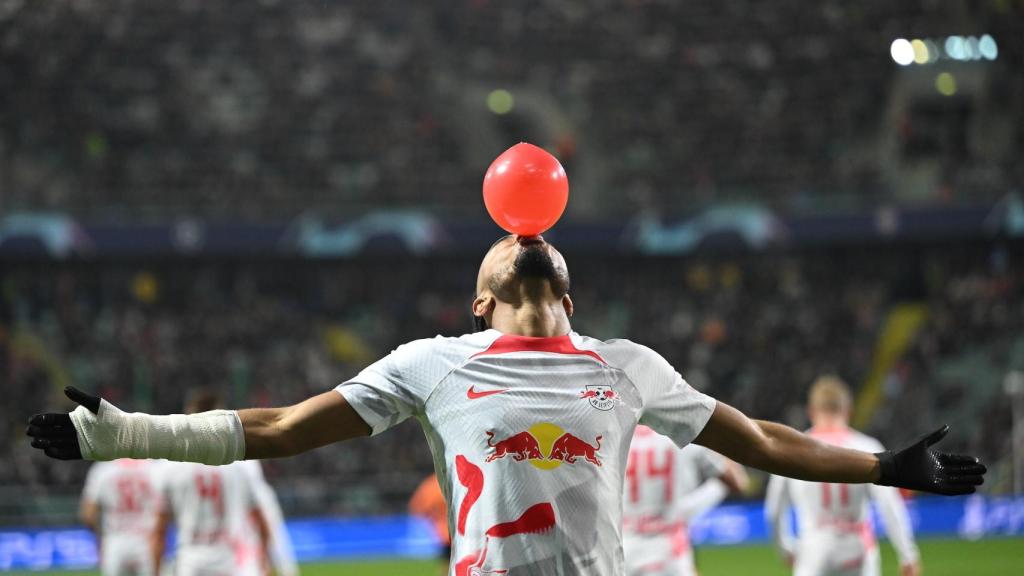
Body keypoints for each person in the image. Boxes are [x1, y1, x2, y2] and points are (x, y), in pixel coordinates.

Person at [28, 235, 985, 576]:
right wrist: (123, 434)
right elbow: (276, 428)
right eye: (502, 248)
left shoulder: (627, 366)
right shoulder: (432, 363)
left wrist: (879, 465)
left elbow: (759, 438)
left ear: (571, 297)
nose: (524, 240)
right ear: (478, 300)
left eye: (542, 248)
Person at [766, 376, 921, 576]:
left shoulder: (792, 450)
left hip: (814, 547)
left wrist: (785, 547)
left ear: (811, 411)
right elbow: (889, 505)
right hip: (857, 547)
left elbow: (774, 509)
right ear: (848, 410)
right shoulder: (867, 447)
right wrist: (908, 554)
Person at [150, 390, 272, 576]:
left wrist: (156, 570)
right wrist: (264, 561)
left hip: (191, 564)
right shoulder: (242, 463)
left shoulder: (169, 466)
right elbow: (261, 523)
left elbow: (159, 531)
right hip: (235, 563)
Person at [623, 425, 749, 576]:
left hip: (625, 545)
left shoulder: (618, 437)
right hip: (670, 545)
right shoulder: (685, 435)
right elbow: (738, 482)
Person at [80, 458, 163, 576]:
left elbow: (88, 514)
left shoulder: (103, 468)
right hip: (148, 540)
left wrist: (100, 539)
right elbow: (165, 509)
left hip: (115, 541)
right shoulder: (155, 468)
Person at [409, 473, 451, 573]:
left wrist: (434, 516)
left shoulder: (431, 484)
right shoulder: (455, 477)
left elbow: (418, 507)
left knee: (447, 565)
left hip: (444, 532)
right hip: (463, 531)